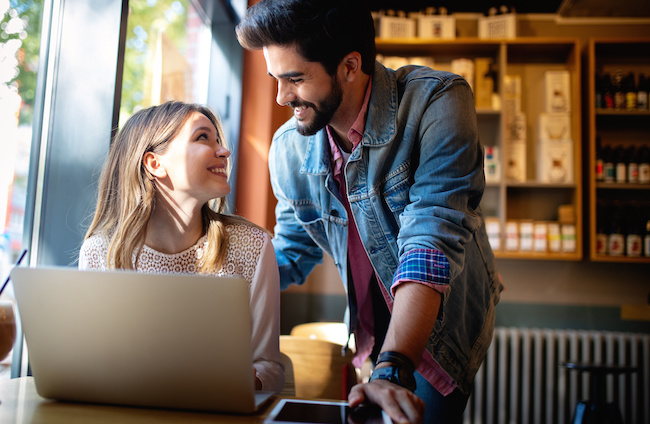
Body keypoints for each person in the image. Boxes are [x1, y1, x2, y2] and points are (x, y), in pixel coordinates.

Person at [236, 1, 504, 423]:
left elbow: (429, 240)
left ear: (349, 66)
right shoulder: (289, 147)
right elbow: (290, 249)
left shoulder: (438, 102)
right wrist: (214, 285)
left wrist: (393, 367)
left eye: (295, 79)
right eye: (274, 78)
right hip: (367, 330)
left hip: (438, 326)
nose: (282, 97)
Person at [78, 101, 284, 394]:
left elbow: (270, 368)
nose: (224, 151)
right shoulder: (100, 252)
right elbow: (88, 365)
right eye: (202, 137)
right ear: (154, 163)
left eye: (219, 141)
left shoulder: (252, 246)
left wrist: (244, 379)